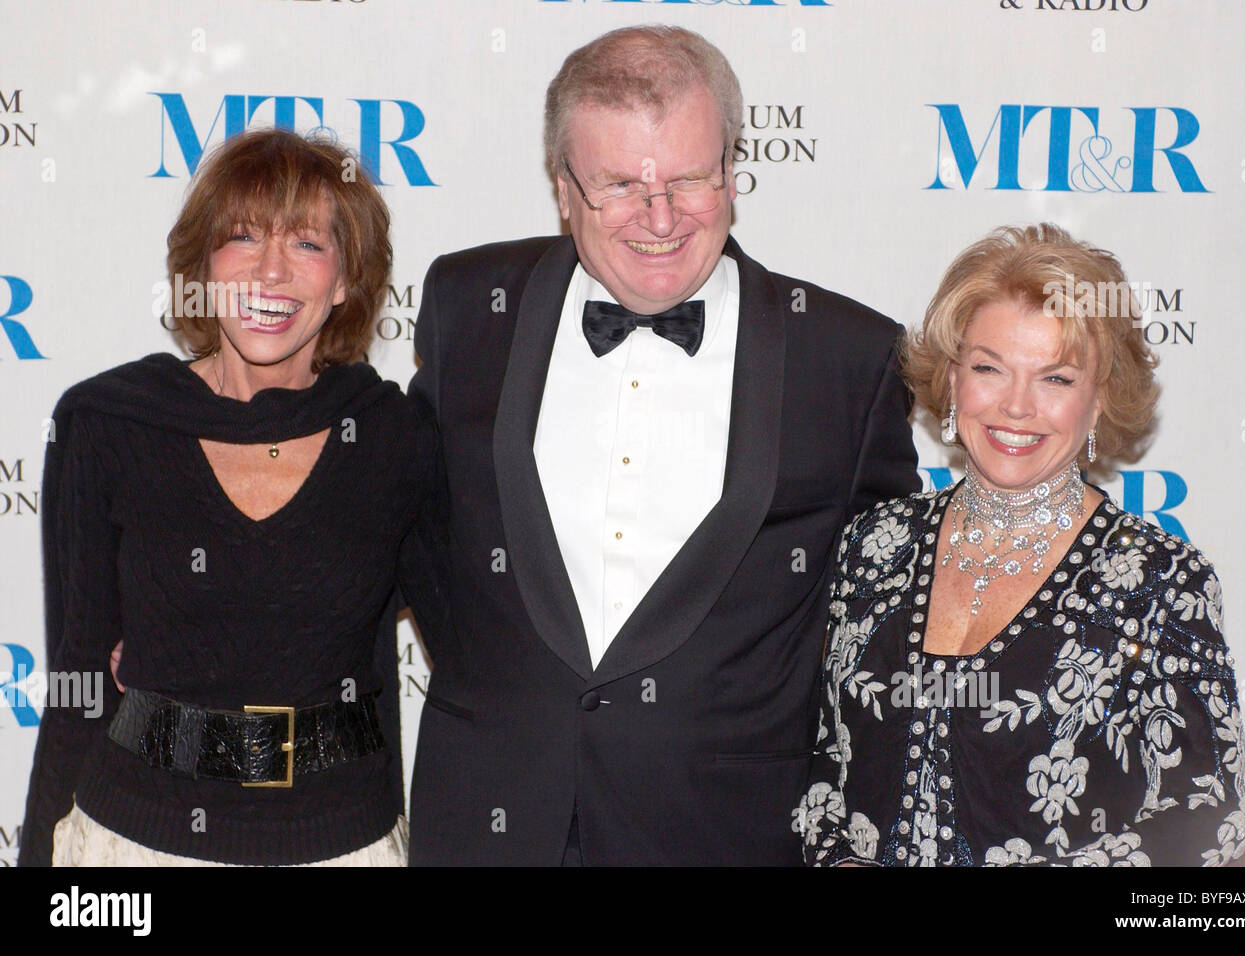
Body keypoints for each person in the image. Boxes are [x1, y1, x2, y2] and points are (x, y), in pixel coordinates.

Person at [405, 24, 919, 866]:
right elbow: (397, 526)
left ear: (732, 171)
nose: (659, 217)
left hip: (724, 835)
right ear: (563, 189)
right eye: (618, 184)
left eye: (689, 178)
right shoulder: (470, 306)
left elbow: (887, 624)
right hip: (490, 825)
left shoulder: (845, 356)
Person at [19, 128, 437, 866]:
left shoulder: (392, 435)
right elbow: (78, 678)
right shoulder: (110, 422)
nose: (270, 273)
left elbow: (478, 650)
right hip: (134, 842)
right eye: (242, 238)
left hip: (341, 845)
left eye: (308, 245)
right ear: (203, 267)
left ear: (345, 280)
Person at [796, 223, 1245, 866]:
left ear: (1097, 404)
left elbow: (1208, 827)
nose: (1015, 406)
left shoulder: (1160, 585)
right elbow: (825, 767)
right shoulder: (874, 546)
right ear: (952, 382)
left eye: (1056, 379)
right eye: (989, 368)